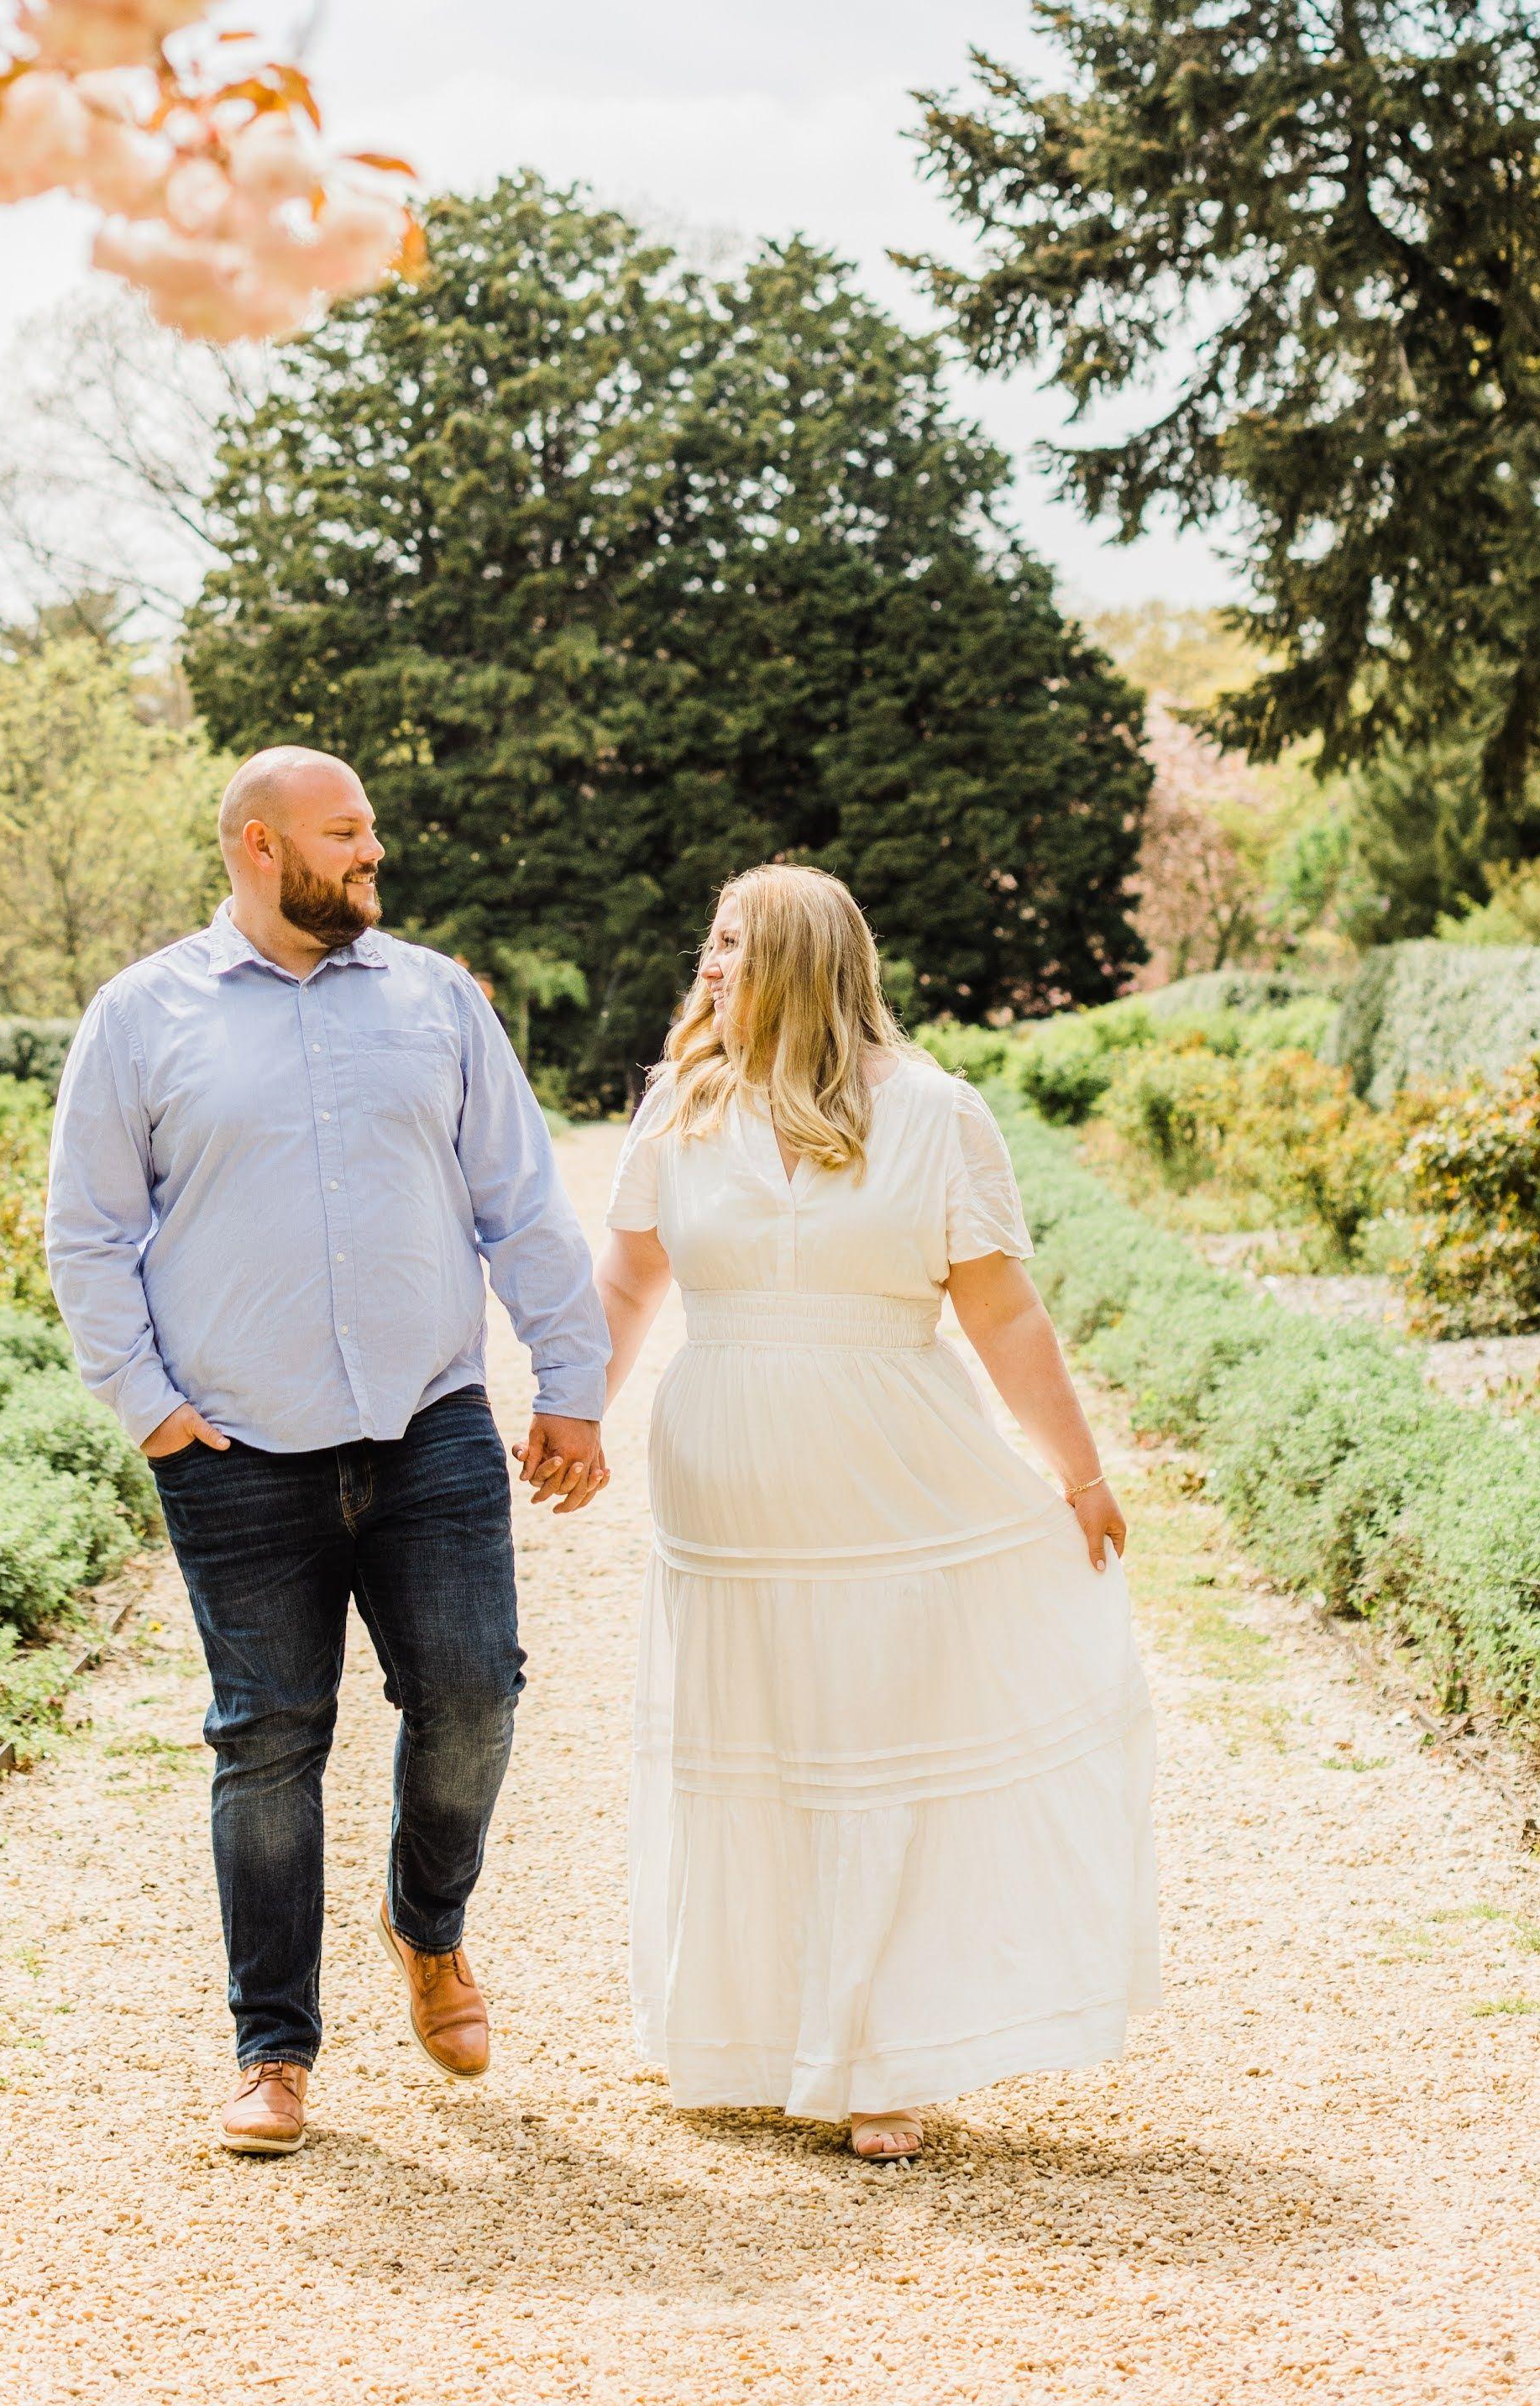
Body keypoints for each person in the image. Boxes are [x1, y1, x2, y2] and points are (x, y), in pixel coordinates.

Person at [45, 744, 611, 2161]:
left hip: (427, 1424)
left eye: (369, 832)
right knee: (269, 1740)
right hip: (235, 1449)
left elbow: (521, 1197)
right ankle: (272, 2049)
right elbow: (89, 1232)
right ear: (256, 845)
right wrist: (150, 1408)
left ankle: (428, 1926)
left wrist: (572, 1381)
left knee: (475, 1693)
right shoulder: (139, 1016)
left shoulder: (433, 999)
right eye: (343, 833)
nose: (372, 854)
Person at [594, 861, 1160, 2163]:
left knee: (876, 1758)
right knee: (753, 1749)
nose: (710, 964)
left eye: (733, 941)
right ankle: (752, 2031)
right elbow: (626, 1284)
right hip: (725, 1497)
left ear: (799, 957)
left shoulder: (934, 1113)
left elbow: (1001, 1310)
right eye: (710, 939)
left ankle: (881, 2054)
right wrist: (575, 1414)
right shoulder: (681, 1105)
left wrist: (1076, 1471)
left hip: (892, 1483)